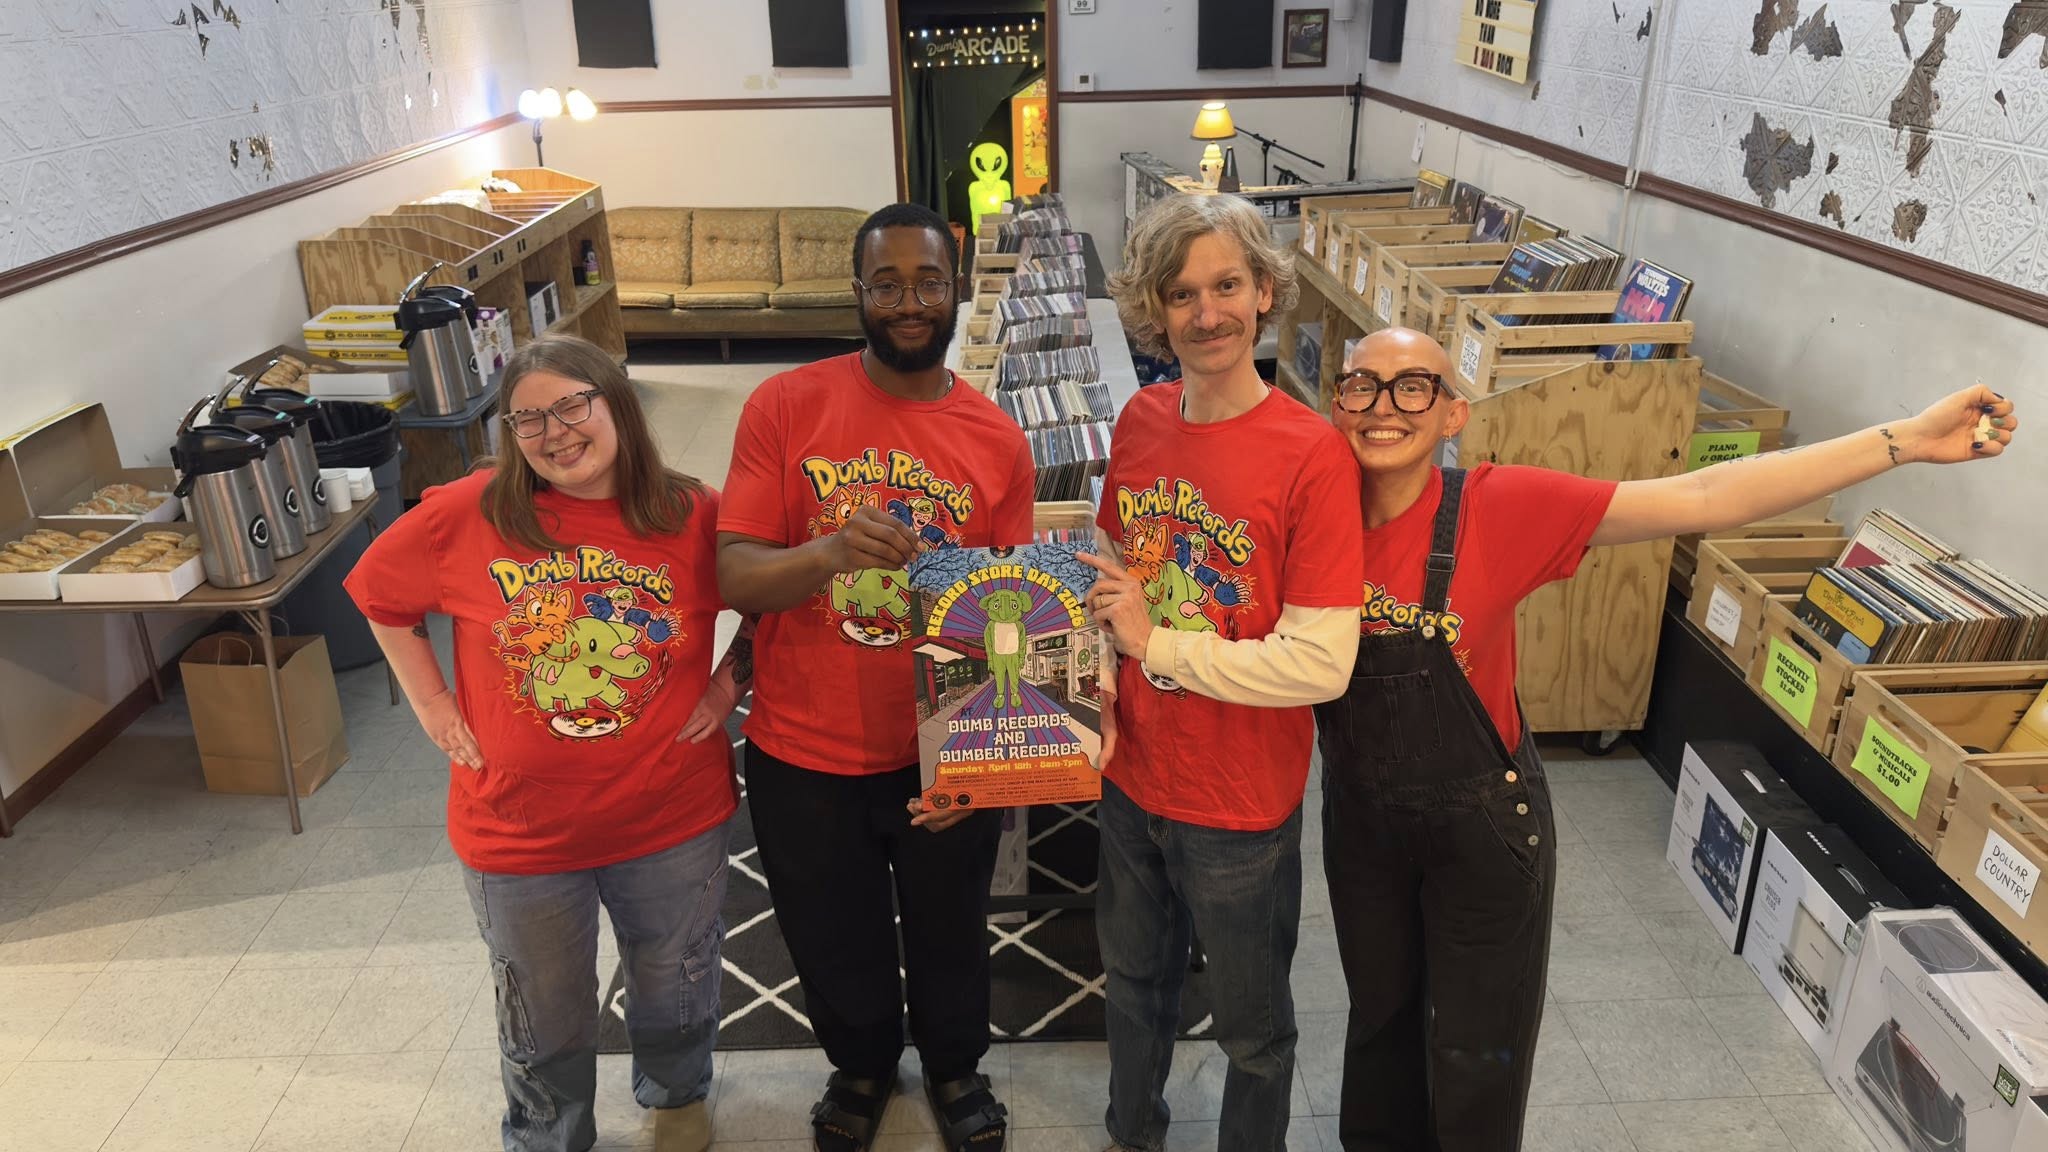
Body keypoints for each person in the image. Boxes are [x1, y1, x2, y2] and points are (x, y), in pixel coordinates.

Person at [1319, 325, 2022, 1152]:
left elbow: (1705, 495)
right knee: (1379, 1026)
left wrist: (1904, 440)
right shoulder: (1309, 515)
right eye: (1362, 385)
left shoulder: (1498, 506)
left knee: (1478, 1053)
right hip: (1361, 824)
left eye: (1414, 386)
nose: (1384, 406)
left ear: (1453, 414)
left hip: (1481, 831)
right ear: (1339, 403)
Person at [345, 334, 748, 1152]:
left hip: (671, 815)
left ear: (616, 405)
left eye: (573, 405)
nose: (555, 432)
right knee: (541, 1005)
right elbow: (379, 595)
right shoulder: (466, 513)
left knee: (677, 977)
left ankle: (677, 1097)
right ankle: (548, 1132)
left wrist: (726, 683)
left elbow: (773, 598)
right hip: (518, 830)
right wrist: (431, 702)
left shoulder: (693, 512)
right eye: (528, 419)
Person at [714, 202, 1036, 1152]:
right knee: (830, 929)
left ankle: (955, 1067)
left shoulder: (998, 441)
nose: (909, 302)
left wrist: (980, 761)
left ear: (956, 288)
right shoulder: (784, 406)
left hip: (938, 743)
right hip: (800, 745)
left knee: (951, 925)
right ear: (857, 294)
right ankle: (859, 1066)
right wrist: (828, 553)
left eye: (928, 281)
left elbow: (1011, 613)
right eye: (886, 284)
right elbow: (736, 576)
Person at [1080, 193, 1366, 1152]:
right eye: (1182, 294)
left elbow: (1321, 663)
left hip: (1240, 807)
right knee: (1132, 988)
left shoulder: (1312, 454)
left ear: (1265, 293)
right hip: (1131, 777)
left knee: (1252, 1030)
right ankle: (1132, 1133)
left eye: (1227, 286)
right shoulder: (1139, 420)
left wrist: (1154, 647)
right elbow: (1116, 580)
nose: (1207, 314)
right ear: (1154, 311)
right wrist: (1098, 696)